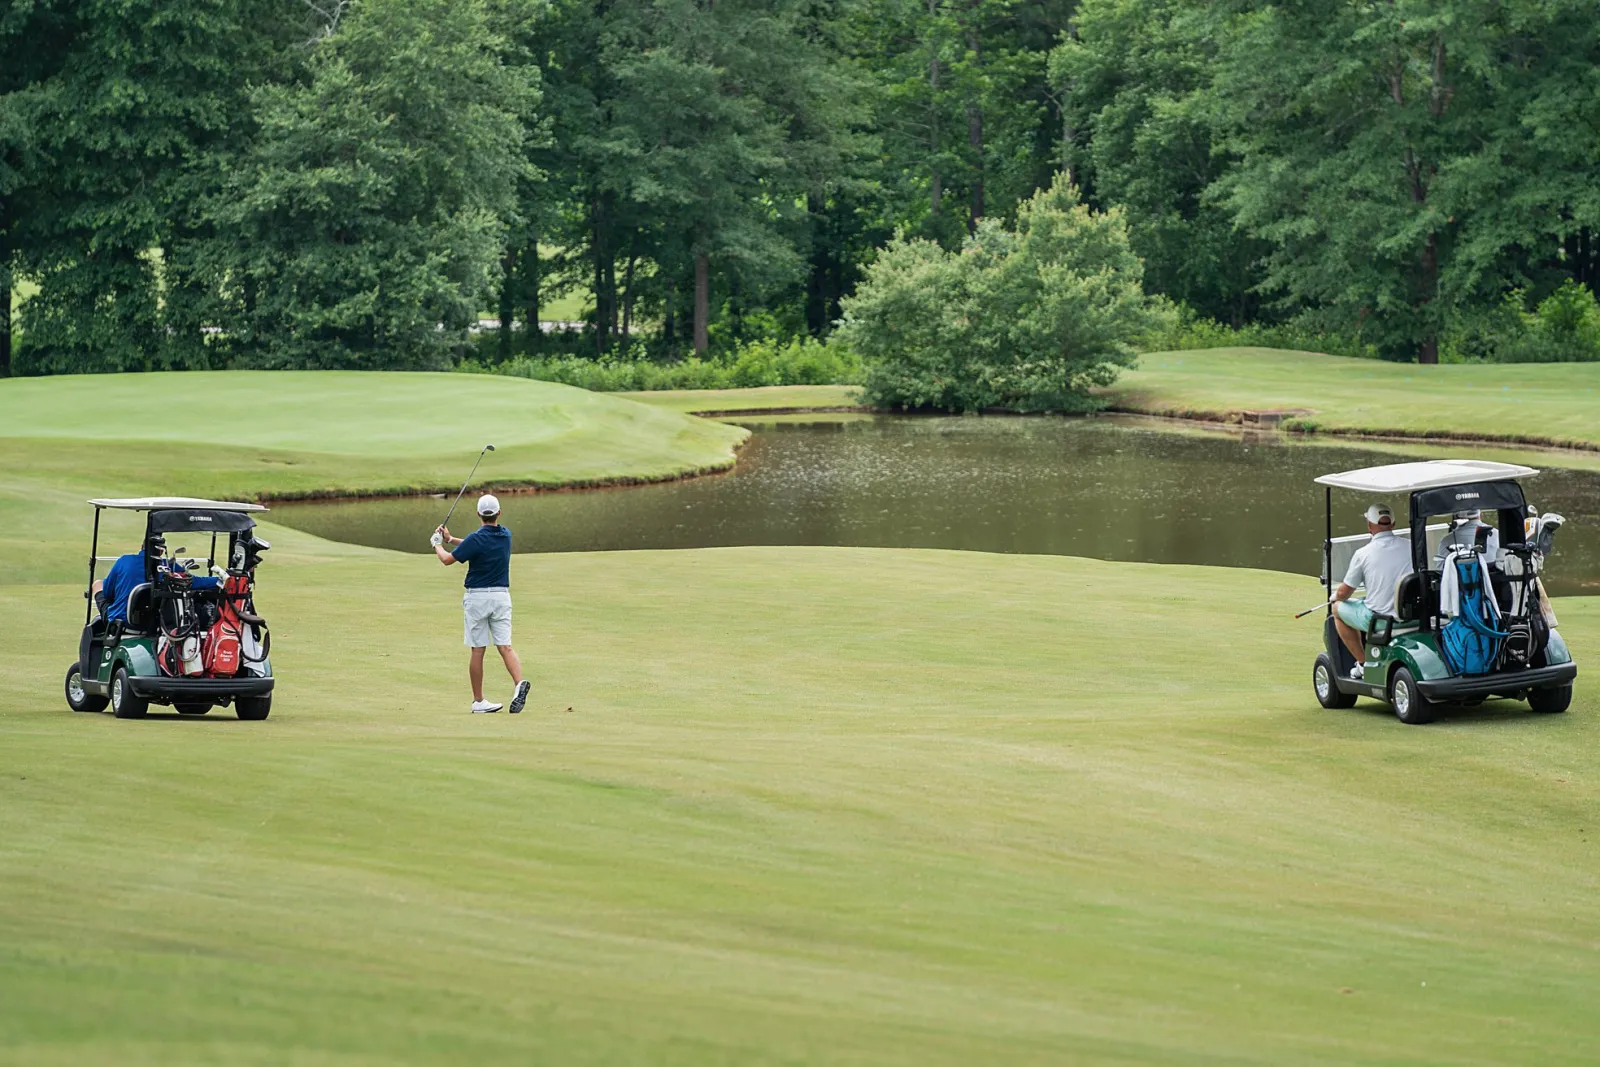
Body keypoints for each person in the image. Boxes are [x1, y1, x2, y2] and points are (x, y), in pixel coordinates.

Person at [433, 494, 531, 714]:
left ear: (478, 514)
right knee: (505, 646)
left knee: (478, 650)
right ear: (499, 513)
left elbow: (448, 559)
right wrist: (450, 540)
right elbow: (472, 545)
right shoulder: (506, 535)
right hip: (501, 597)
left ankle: (478, 701)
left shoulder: (476, 538)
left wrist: (437, 545)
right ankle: (518, 684)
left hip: (477, 598)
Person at [1330, 504, 1414, 679]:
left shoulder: (1363, 554)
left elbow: (1344, 593)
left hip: (1380, 619)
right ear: (1393, 524)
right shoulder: (1411, 546)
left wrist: (1335, 597)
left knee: (1336, 609)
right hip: (1412, 613)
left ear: (1369, 525)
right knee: (1362, 602)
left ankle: (1363, 663)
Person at [93, 534, 219, 623]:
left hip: (121, 621)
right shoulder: (168, 566)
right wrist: (221, 580)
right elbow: (198, 582)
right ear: (162, 552)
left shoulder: (124, 561)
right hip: (155, 622)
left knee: (98, 584)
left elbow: (108, 593)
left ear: (142, 546)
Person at [1434, 508, 1499, 567]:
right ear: (1480, 515)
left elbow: (1440, 569)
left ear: (1457, 516)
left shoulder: (1447, 540)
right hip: (1493, 578)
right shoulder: (1497, 534)